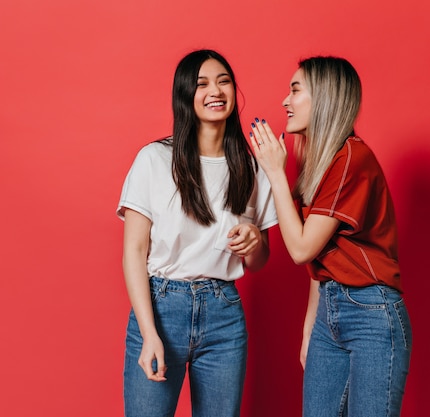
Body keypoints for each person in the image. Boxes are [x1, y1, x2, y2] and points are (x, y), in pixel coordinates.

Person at [116, 49, 278, 417]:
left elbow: (258, 260)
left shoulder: (251, 166)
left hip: (224, 313)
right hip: (161, 307)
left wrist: (253, 241)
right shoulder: (155, 159)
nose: (215, 91)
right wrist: (149, 332)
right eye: (202, 83)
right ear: (186, 94)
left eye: (223, 81)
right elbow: (133, 251)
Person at [249, 56, 412, 417]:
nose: (284, 101)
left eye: (295, 90)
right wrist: (313, 325)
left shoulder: (352, 158)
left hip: (372, 314)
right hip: (330, 311)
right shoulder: (321, 162)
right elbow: (323, 256)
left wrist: (276, 172)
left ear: (324, 97)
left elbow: (302, 248)